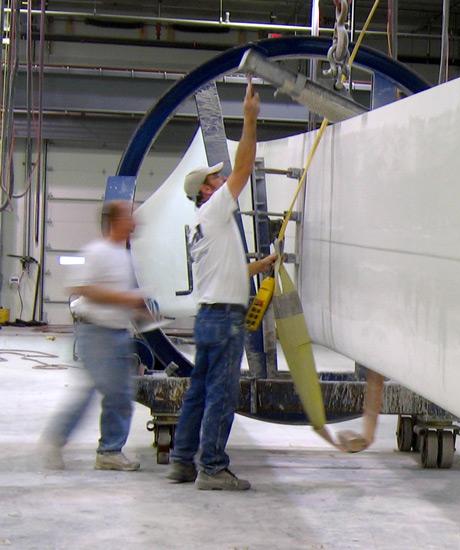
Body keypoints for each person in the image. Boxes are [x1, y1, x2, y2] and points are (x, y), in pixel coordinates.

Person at [167, 81, 276, 491]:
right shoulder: (214, 209)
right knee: (221, 394)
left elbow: (223, 272)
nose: (222, 180)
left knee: (198, 393)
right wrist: (249, 118)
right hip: (225, 319)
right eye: (215, 179)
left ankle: (182, 461)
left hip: (208, 316)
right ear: (207, 191)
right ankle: (212, 467)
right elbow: (245, 169)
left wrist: (260, 266)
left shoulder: (200, 226)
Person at [42, 201, 145, 471]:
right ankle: (86, 445)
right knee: (107, 393)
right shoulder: (97, 251)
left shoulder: (123, 255)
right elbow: (81, 287)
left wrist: (139, 311)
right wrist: (126, 298)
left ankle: (107, 450)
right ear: (115, 221)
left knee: (117, 394)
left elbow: (117, 295)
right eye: (129, 216)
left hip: (116, 333)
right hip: (96, 333)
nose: (134, 221)